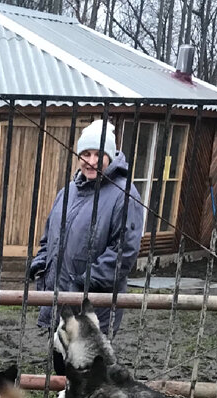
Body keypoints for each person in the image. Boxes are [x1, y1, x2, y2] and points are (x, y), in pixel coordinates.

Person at [32, 120, 145, 374]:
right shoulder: (68, 191)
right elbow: (50, 235)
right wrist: (41, 262)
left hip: (93, 306)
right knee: (61, 368)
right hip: (59, 299)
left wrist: (85, 282)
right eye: (85, 154)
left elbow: (123, 252)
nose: (91, 161)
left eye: (98, 155)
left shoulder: (123, 195)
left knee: (87, 374)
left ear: (110, 156)